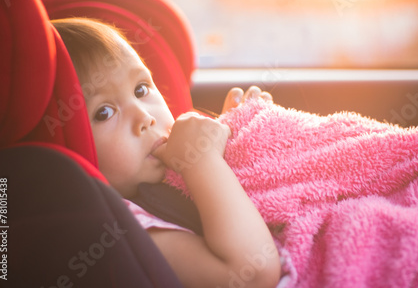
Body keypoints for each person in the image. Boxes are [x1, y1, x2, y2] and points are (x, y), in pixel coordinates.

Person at [51, 17, 281, 288]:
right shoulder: (122, 227)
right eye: (104, 112)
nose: (145, 116)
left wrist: (237, 137)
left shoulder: (167, 166)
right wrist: (204, 159)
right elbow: (251, 274)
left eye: (141, 89)